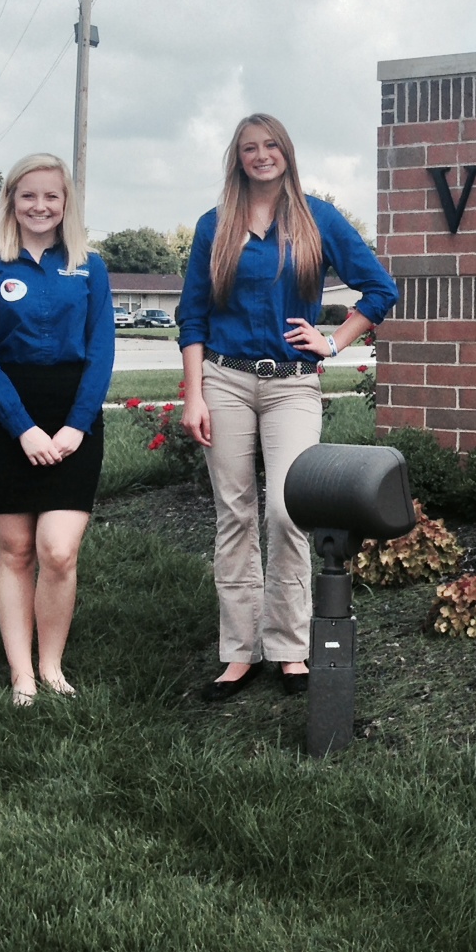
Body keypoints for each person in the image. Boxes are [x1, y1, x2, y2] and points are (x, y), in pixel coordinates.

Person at [178, 113, 398, 701]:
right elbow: (192, 317)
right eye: (249, 148)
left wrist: (334, 341)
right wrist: (193, 392)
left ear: (287, 152)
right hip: (223, 380)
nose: (261, 155)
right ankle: (239, 653)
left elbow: (379, 289)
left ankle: (288, 646)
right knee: (234, 514)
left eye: (270, 144)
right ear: (237, 158)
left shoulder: (316, 218)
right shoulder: (214, 225)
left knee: (286, 511)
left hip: (292, 384)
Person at [0, 154, 114, 706]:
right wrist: (23, 428)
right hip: (11, 420)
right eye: (28, 195)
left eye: (52, 196)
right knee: (16, 550)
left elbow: (101, 353)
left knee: (57, 551)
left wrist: (76, 426)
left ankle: (52, 665)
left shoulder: (89, 266)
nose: (40, 206)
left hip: (74, 416)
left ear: (66, 203)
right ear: (11, 200)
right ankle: (21, 673)